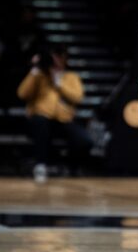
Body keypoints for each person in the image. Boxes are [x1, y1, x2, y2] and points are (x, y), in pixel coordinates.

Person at [16, 44, 92, 179]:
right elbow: (22, 94)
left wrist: (58, 83)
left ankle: (70, 167)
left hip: (63, 120)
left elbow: (78, 97)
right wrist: (34, 70)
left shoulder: (71, 77)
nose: (55, 60)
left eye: (59, 56)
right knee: (41, 123)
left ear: (64, 59)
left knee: (85, 140)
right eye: (53, 57)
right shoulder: (39, 75)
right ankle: (40, 165)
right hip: (40, 119)